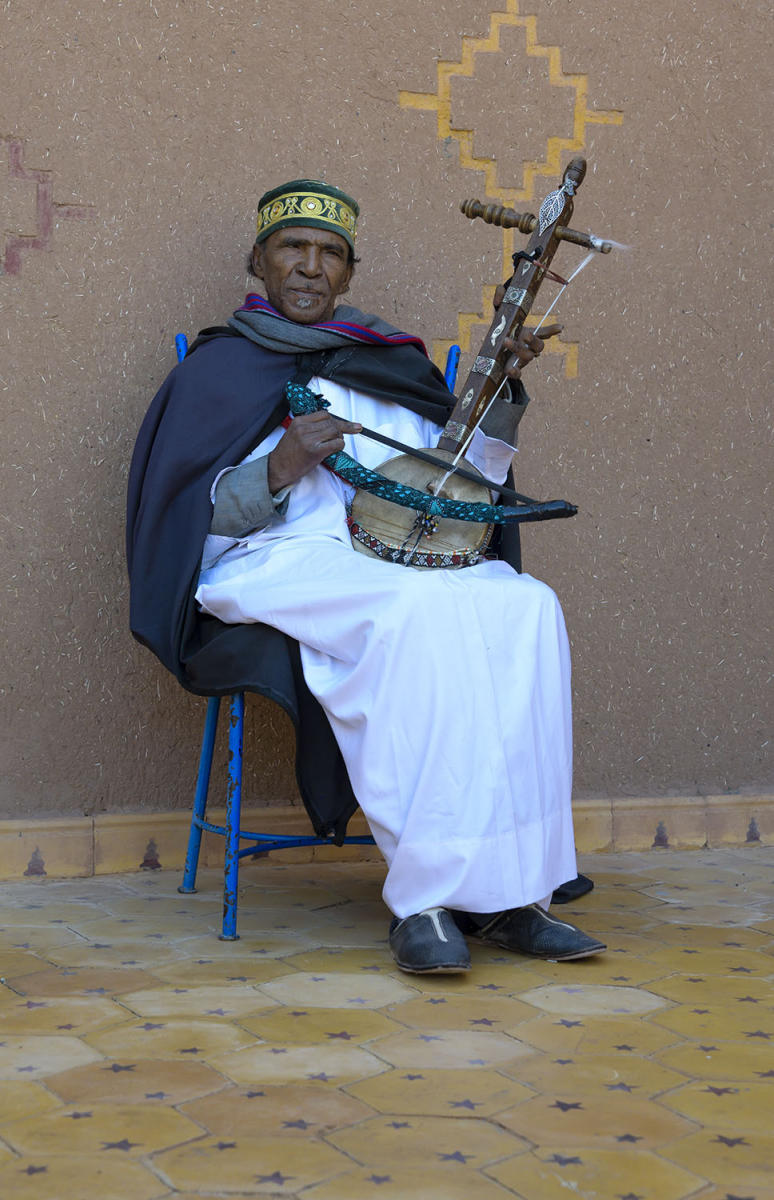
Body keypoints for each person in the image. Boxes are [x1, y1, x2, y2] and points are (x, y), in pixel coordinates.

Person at [127, 179, 604, 973]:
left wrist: (502, 393)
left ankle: (518, 893)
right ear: (259, 261)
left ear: (349, 274)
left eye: (330, 254)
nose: (310, 267)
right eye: (293, 249)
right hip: (277, 559)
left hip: (399, 554)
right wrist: (280, 465)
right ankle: (424, 901)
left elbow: (464, 481)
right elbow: (181, 519)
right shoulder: (219, 370)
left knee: (526, 606)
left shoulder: (392, 362)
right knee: (412, 612)